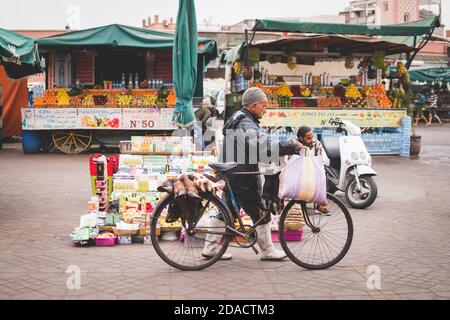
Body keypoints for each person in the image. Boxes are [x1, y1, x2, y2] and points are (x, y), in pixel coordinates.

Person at [202, 87, 303, 261]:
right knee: (260, 211)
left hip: (232, 172)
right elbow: (263, 147)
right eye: (263, 106)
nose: (265, 109)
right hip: (240, 174)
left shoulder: (240, 118)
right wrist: (291, 145)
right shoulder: (245, 123)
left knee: (227, 210)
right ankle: (267, 250)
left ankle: (210, 248)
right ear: (253, 105)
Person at [296, 126, 331, 216]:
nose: (311, 140)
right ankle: (294, 206)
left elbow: (320, 159)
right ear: (300, 138)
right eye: (308, 138)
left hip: (313, 169)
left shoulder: (317, 144)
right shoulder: (294, 144)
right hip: (299, 170)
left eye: (312, 137)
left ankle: (320, 207)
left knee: (323, 176)